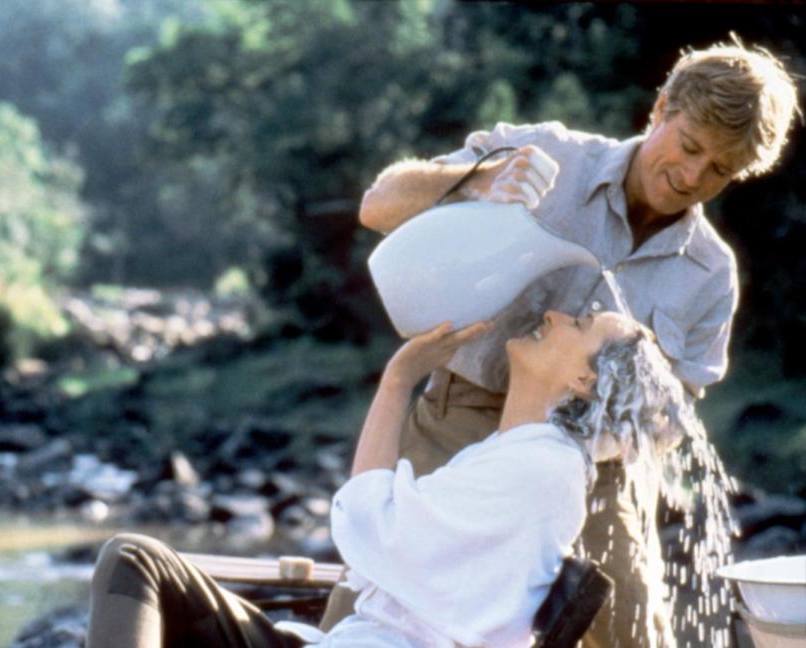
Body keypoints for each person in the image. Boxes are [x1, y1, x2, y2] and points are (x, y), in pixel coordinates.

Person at [319, 40, 800, 647]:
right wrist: (478, 182)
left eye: (720, 171)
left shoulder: (710, 273)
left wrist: (563, 452)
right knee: (360, 610)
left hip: (589, 470)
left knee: (636, 635)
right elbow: (378, 206)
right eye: (690, 147)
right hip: (461, 418)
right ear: (659, 110)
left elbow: (671, 417)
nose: (690, 178)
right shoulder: (545, 155)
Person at [85, 309, 692, 648]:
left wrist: (398, 382)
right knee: (139, 565)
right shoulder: (526, 457)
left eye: (580, 322)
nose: (556, 314)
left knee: (135, 560)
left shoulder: (540, 469)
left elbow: (367, 525)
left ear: (585, 381)